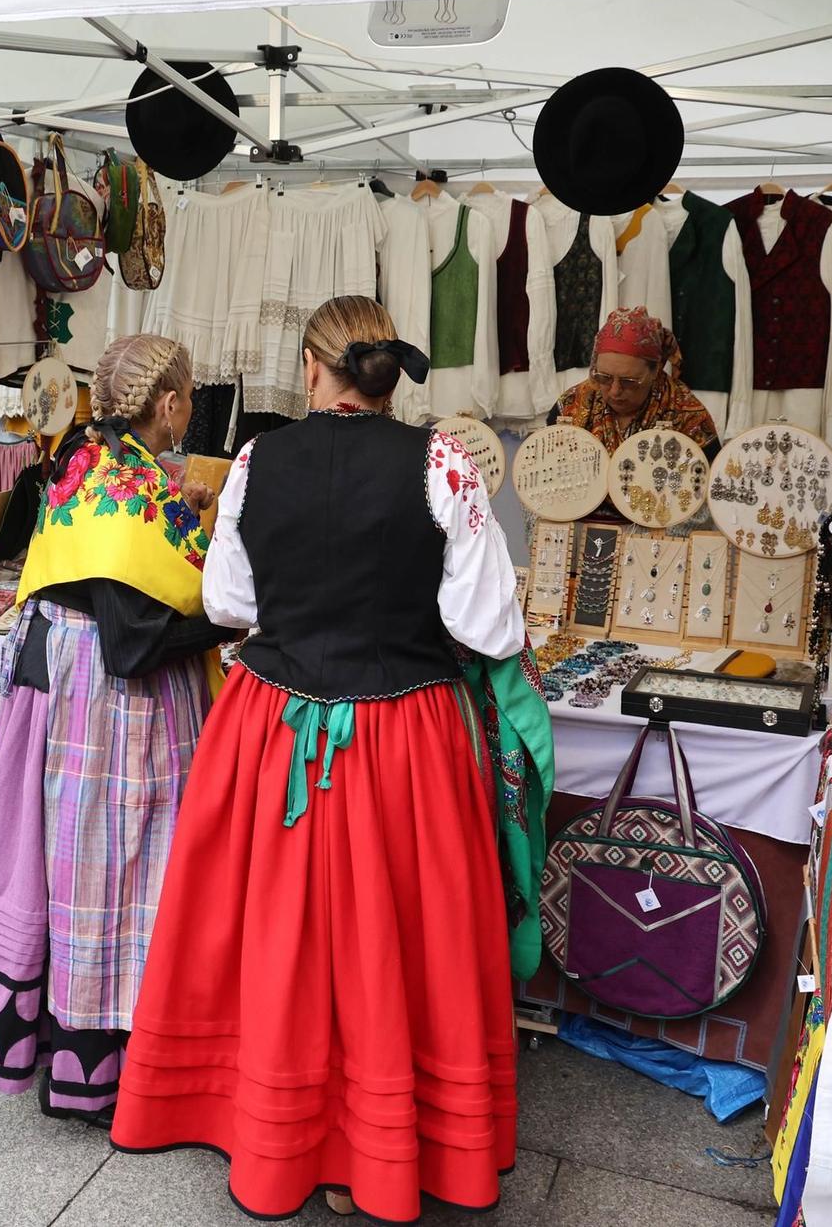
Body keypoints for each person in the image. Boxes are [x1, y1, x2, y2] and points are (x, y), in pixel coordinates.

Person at [110, 296, 526, 1223]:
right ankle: (378, 1141)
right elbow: (489, 623)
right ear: (385, 377)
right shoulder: (444, 462)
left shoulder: (259, 460)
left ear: (310, 369)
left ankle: (275, 1124)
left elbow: (227, 602)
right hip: (404, 732)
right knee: (395, 937)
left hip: (275, 725)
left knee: (282, 934)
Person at [0, 334, 232, 1124]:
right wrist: (231, 622)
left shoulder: (84, 462)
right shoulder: (135, 487)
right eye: (187, 398)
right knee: (115, 867)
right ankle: (104, 1065)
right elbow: (137, 639)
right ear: (168, 404)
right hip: (107, 701)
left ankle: (60, 1039)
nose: (187, 412)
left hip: (57, 675)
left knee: (60, 859)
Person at [549, 305, 721, 456]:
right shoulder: (571, 407)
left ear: (656, 370)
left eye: (629, 381)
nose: (615, 391)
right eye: (604, 378)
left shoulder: (688, 418)